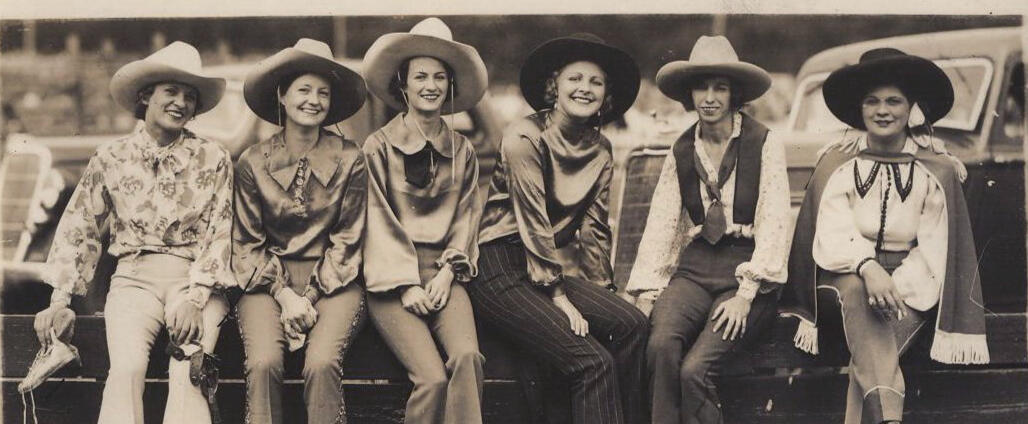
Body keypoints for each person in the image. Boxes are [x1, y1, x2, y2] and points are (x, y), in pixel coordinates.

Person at [783, 47, 989, 424]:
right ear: (859, 109)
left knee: (873, 353)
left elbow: (935, 246)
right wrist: (868, 267)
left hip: (911, 284)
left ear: (912, 109)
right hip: (842, 276)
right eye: (872, 101)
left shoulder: (935, 170)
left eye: (894, 101)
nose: (882, 111)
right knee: (858, 295)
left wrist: (896, 287)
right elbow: (832, 231)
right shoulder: (838, 163)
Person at [31, 41, 234, 424]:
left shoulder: (214, 157)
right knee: (126, 370)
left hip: (195, 283)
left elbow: (220, 230)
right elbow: (81, 226)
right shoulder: (112, 157)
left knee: (187, 372)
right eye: (171, 91)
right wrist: (60, 300)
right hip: (133, 280)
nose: (180, 102)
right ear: (145, 96)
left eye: (189, 96)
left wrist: (196, 298)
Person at [470, 33, 649, 424]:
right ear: (554, 86)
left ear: (606, 95)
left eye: (596, 82)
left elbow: (596, 231)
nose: (585, 88)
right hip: (499, 268)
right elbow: (533, 220)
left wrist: (602, 294)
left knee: (631, 324)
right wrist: (558, 296)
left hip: (541, 269)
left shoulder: (601, 149)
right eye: (575, 78)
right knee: (593, 361)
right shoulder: (524, 135)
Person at [624, 35, 790, 424]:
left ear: (735, 94)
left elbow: (775, 221)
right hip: (696, 268)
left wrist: (746, 295)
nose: (710, 98)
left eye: (721, 88)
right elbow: (663, 224)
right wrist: (647, 291)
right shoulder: (682, 149)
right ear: (690, 93)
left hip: (747, 271)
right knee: (660, 346)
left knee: (694, 370)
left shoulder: (763, 142)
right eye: (702, 87)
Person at [232, 38, 369, 424]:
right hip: (265, 283)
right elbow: (246, 245)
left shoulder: (351, 158)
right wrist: (285, 295)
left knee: (322, 363)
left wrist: (308, 296)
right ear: (282, 95)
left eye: (323, 93)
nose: (314, 100)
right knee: (263, 363)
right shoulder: (252, 162)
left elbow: (349, 239)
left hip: (336, 281)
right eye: (304, 90)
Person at [360, 17, 487, 424]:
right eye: (420, 76)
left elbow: (467, 217)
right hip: (392, 279)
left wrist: (448, 273)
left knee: (468, 357)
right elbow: (375, 220)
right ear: (403, 84)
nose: (430, 86)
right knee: (432, 379)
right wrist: (405, 283)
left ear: (450, 85)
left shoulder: (463, 149)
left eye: (439, 77)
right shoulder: (378, 147)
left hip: (444, 272)